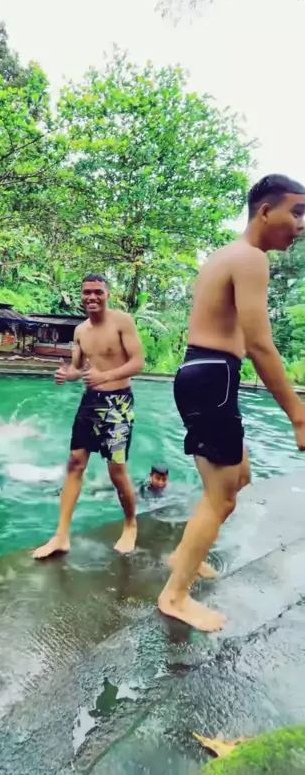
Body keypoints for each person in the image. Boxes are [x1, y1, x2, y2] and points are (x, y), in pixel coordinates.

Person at [158, 174, 305, 633]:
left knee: (237, 479)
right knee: (220, 496)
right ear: (266, 211)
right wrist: (298, 415)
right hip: (213, 378)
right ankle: (175, 595)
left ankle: (184, 555)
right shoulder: (251, 258)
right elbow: (260, 344)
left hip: (206, 375)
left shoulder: (226, 254)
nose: (301, 225)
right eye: (297, 212)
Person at [33, 273, 145, 559]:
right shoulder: (80, 330)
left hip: (118, 403)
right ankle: (61, 536)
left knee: (116, 471)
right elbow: (78, 368)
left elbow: (138, 362)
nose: (92, 297)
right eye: (87, 292)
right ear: (81, 296)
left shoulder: (122, 322)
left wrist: (105, 376)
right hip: (90, 402)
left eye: (98, 291)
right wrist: (67, 375)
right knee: (75, 463)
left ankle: (130, 525)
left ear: (108, 294)